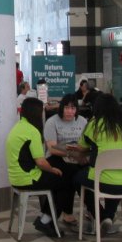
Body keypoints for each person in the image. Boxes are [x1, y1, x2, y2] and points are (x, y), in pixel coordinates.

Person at [74, 94, 122, 236]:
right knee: (116, 174)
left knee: (77, 178)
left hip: (104, 179)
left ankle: (102, 216)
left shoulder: (95, 124)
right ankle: (109, 217)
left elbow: (81, 147)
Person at [6, 97, 71, 237]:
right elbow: (41, 162)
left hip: (15, 177)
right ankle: (45, 220)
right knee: (65, 181)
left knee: (55, 178)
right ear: (36, 113)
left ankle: (46, 217)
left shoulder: (17, 127)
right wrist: (53, 170)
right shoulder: (32, 131)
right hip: (28, 178)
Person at [43, 94, 88, 227]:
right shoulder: (52, 122)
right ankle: (65, 213)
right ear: (62, 108)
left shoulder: (82, 122)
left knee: (85, 175)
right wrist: (70, 154)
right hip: (56, 158)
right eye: (67, 108)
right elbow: (52, 149)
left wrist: (80, 155)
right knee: (70, 173)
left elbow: (86, 144)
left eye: (73, 108)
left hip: (76, 158)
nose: (70, 111)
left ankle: (92, 210)